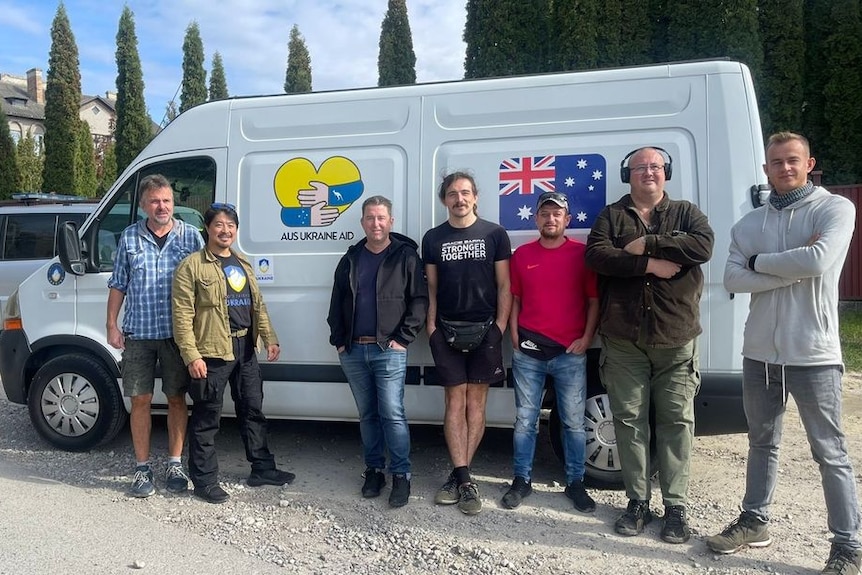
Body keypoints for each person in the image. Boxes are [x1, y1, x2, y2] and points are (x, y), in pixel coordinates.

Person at [706, 132, 861, 575]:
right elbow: (733, 279)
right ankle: (755, 521)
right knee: (761, 442)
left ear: (809, 163)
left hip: (813, 352)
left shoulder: (835, 209)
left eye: (793, 161)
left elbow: (816, 262)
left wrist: (760, 263)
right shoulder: (748, 224)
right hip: (759, 354)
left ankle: (847, 546)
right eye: (777, 162)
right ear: (766, 169)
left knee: (829, 452)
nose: (785, 168)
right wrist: (786, 268)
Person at [585, 147, 714, 543]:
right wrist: (648, 265)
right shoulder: (612, 215)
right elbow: (597, 256)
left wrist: (648, 243)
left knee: (676, 421)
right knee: (628, 421)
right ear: (628, 174)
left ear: (666, 172)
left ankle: (676, 507)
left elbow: (702, 247)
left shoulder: (688, 213)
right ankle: (637, 501)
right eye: (640, 167)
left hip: (675, 337)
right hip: (624, 338)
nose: (648, 173)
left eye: (655, 167)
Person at [172, 203, 295, 504]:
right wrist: (192, 356)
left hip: (246, 350)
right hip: (213, 350)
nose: (225, 230)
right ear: (208, 229)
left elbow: (258, 306)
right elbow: (181, 316)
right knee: (207, 418)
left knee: (253, 410)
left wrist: (269, 338)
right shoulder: (192, 266)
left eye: (231, 225)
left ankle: (262, 468)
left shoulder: (243, 264)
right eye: (219, 224)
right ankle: (203, 480)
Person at [327, 195, 428, 508]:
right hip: (355, 351)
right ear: (362, 223)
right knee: (368, 415)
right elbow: (336, 302)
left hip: (389, 350)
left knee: (392, 414)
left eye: (381, 218)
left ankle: (401, 474)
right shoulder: (351, 258)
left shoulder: (405, 256)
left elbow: (419, 301)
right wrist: (340, 341)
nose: (376, 224)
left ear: (391, 221)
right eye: (370, 218)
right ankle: (374, 470)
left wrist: (402, 339)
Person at [107, 174, 204, 498]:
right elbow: (118, 283)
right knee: (140, 399)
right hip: (139, 333)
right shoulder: (130, 238)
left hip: (179, 336)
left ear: (173, 203)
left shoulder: (191, 237)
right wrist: (111, 324)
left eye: (166, 200)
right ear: (144, 205)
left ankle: (175, 464)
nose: (161, 206)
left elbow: (207, 282)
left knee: (177, 398)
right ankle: (142, 468)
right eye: (154, 201)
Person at [502, 191, 599, 512]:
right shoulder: (522, 255)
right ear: (536, 219)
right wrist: (514, 334)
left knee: (572, 423)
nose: (551, 218)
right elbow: (514, 299)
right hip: (528, 351)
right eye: (545, 213)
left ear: (567, 220)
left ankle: (575, 483)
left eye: (557, 214)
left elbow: (594, 301)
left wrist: (586, 338)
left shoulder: (581, 255)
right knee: (524, 422)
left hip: (569, 353)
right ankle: (521, 480)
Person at [421, 171, 512, 515]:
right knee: (454, 403)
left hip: (486, 330)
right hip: (446, 331)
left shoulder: (495, 234)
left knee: (477, 404)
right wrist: (431, 327)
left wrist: (499, 328)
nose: (459, 199)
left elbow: (504, 286)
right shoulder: (433, 238)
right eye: (452, 194)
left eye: (465, 193)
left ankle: (460, 475)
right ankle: (464, 478)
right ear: (444, 199)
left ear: (475, 197)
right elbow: (430, 288)